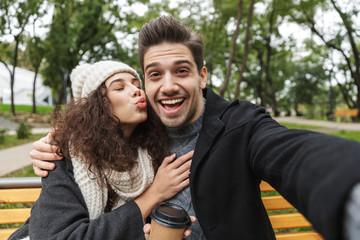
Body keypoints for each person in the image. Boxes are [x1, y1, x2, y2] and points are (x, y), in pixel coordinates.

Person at [30, 16, 360, 240]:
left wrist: (349, 188)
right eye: (155, 75)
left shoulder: (240, 126)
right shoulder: (134, 136)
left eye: (182, 71)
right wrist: (57, 143)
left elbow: (291, 153)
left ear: (202, 76)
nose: (169, 86)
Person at [9, 60, 195, 239]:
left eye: (137, 85)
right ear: (98, 105)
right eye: (120, 88)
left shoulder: (150, 153)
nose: (137, 91)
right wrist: (153, 195)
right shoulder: (65, 153)